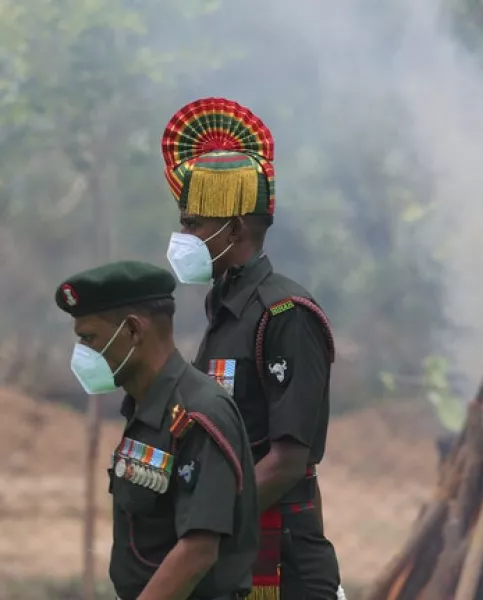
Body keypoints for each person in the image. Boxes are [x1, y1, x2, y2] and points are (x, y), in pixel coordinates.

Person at [160, 97, 343, 599]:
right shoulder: (225, 306)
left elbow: (287, 459)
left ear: (234, 228)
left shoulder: (285, 313)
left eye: (193, 223)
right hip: (232, 552)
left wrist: (209, 523)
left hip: (280, 564)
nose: (183, 235)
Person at [56, 260, 259, 600]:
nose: (82, 355)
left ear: (133, 330)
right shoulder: (146, 410)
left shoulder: (199, 413)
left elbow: (198, 550)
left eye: (89, 338)